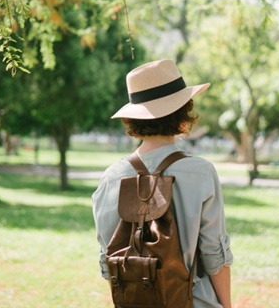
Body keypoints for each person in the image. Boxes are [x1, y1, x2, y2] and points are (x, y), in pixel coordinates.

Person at [92, 59, 233, 308]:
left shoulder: (111, 178)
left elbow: (109, 263)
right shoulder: (201, 173)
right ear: (182, 111)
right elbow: (214, 255)